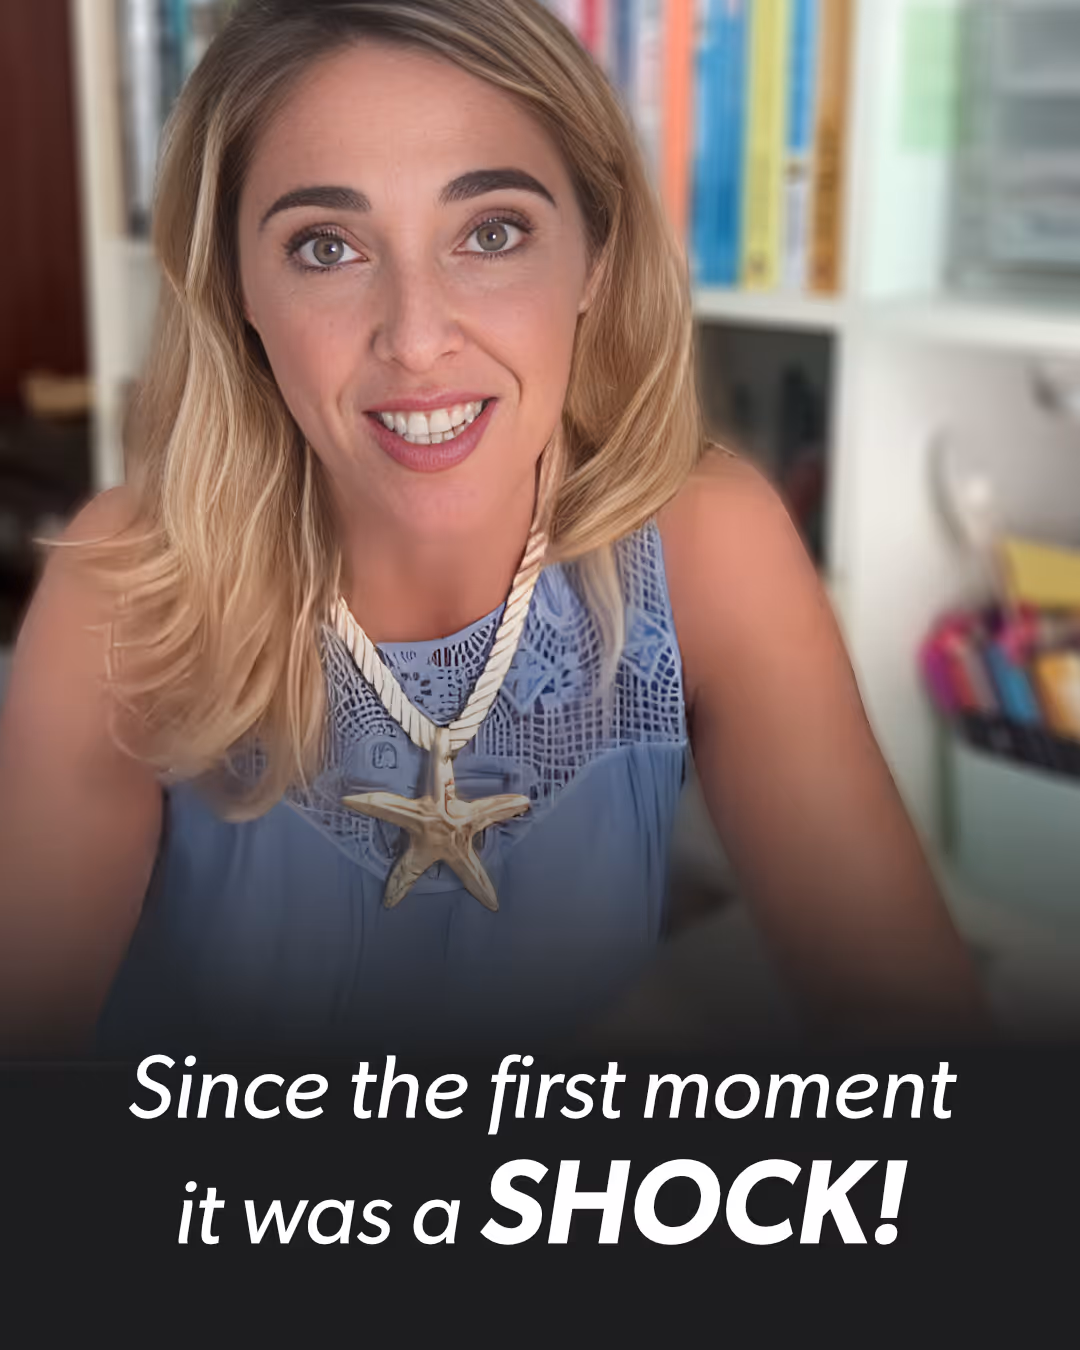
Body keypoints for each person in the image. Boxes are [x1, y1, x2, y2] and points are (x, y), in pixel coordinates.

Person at [0, 0, 985, 1054]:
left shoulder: (706, 542)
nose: (417, 339)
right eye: (326, 246)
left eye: (493, 232)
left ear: (594, 260)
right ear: (235, 286)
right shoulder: (127, 585)